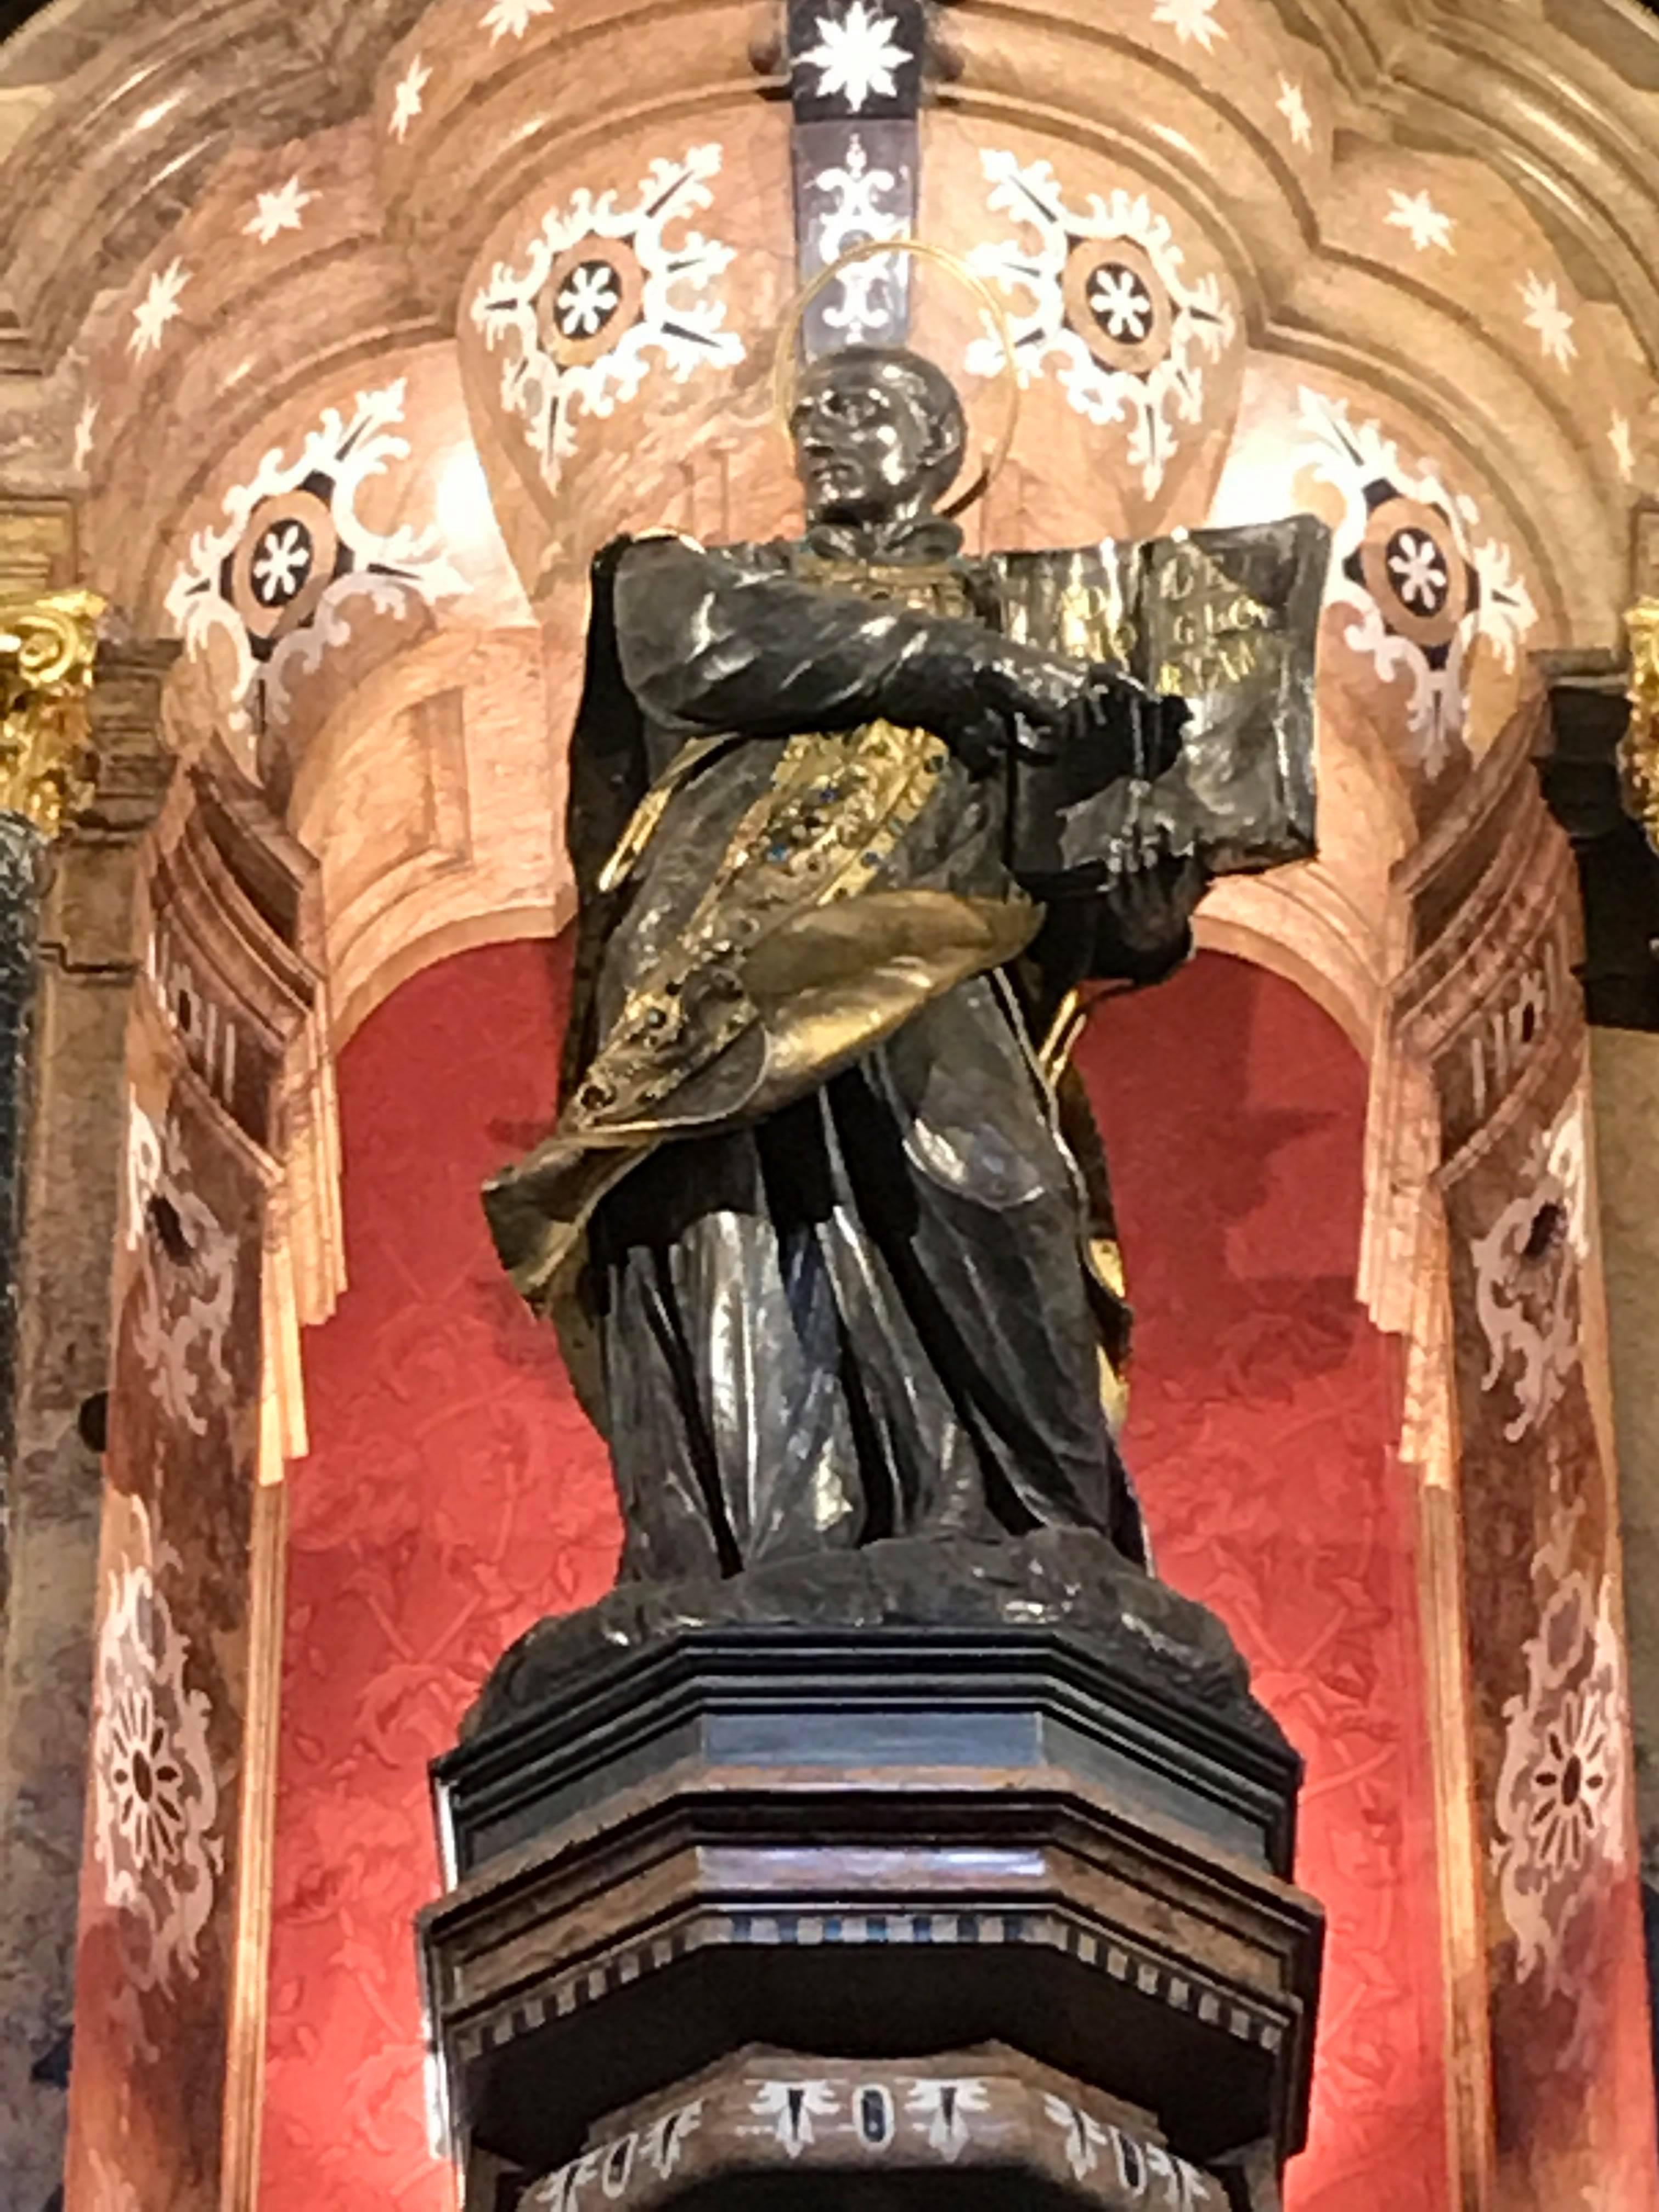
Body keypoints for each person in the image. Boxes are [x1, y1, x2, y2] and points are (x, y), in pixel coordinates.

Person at [484, 344, 1207, 1584]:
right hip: (723, 953)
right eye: (811, 414)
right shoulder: (715, 578)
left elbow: (1072, 880)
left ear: (939, 451)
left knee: (1003, 1192)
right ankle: (766, 1550)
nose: (824, 434)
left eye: (862, 411)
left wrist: (1146, 913)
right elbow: (689, 646)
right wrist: (975, 672)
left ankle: (1053, 1536)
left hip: (941, 946)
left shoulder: (1038, 622)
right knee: (732, 1231)